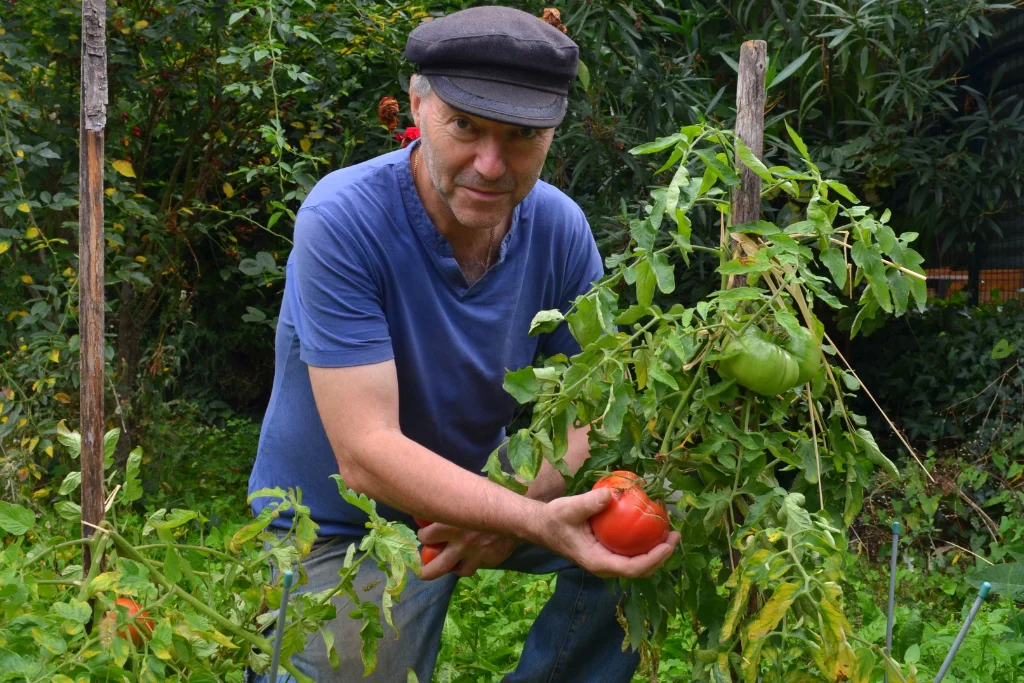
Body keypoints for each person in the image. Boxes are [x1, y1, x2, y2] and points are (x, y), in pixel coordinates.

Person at [246, 6, 680, 682]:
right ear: (420, 104)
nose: (490, 163)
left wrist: (509, 507)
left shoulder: (560, 229)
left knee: (653, 522)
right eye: (466, 126)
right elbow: (365, 454)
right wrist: (523, 515)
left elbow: (593, 409)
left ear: (553, 134)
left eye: (521, 136)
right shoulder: (344, 219)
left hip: (489, 490)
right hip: (341, 523)